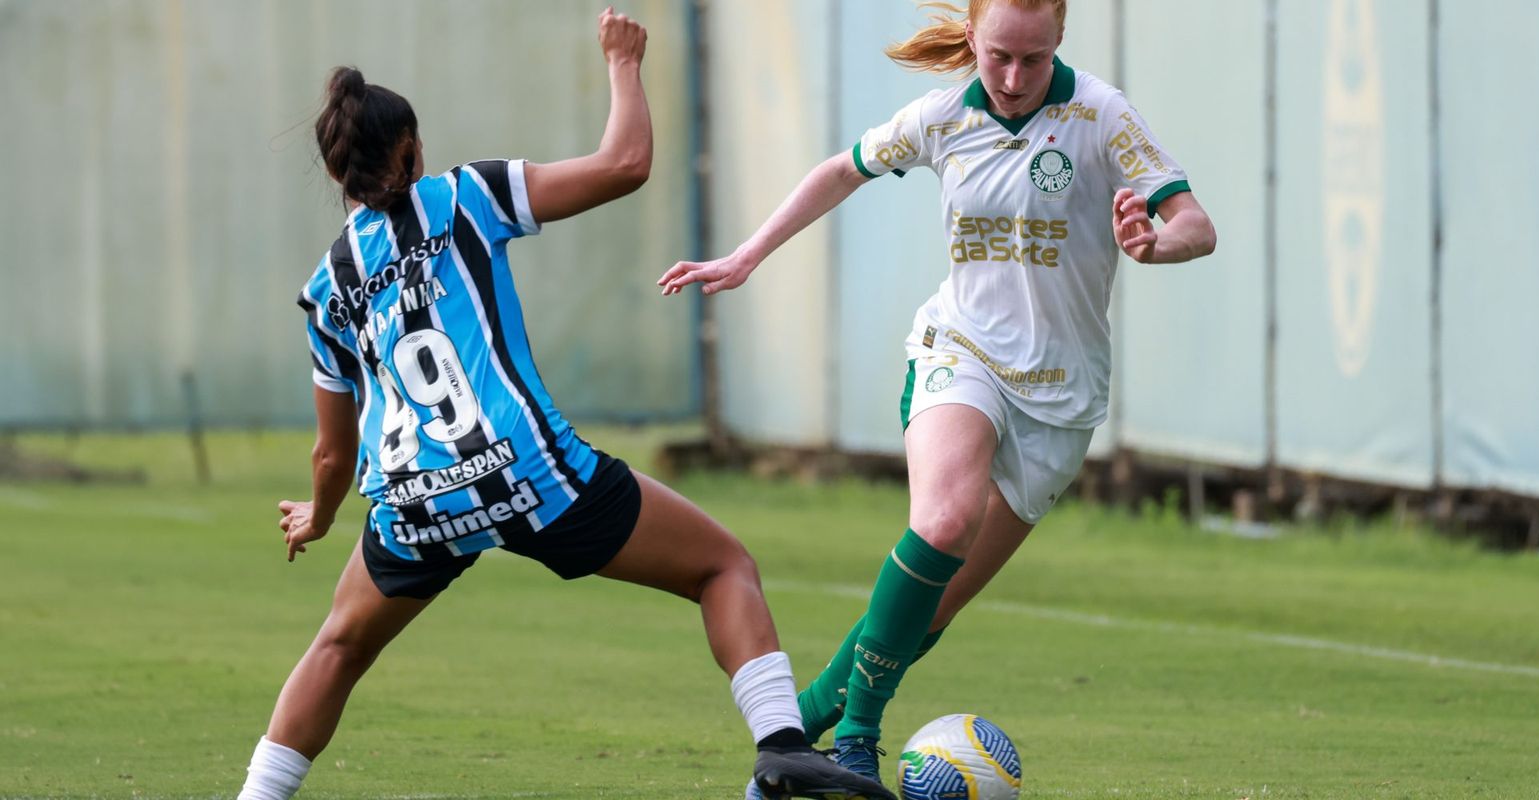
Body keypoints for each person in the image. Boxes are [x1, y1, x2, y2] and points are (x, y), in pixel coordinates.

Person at [234, 9, 892, 800]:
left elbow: (333, 453)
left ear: (340, 172)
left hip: (414, 499)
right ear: (409, 151)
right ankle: (782, 747)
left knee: (338, 646)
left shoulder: (327, 286)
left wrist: (318, 513)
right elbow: (625, 163)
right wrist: (622, 62)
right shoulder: (461, 197)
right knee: (724, 566)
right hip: (525, 469)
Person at [658, 0, 1216, 788]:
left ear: (1060, 38)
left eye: (1032, 57)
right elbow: (839, 171)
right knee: (945, 519)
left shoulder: (1101, 116)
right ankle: (855, 738)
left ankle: (793, 743)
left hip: (1062, 398)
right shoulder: (941, 115)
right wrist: (747, 256)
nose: (1014, 77)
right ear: (973, 40)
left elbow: (1196, 223)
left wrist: (1156, 244)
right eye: (997, 57)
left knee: (931, 610)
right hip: (962, 352)